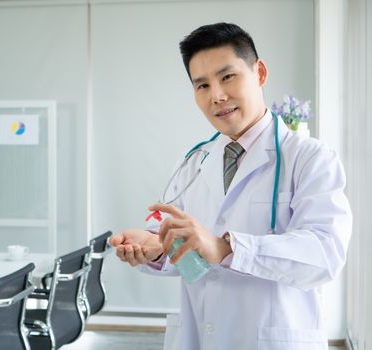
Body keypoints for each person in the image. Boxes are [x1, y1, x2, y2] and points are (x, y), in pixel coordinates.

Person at [109, 22, 352, 350]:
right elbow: (195, 262)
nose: (217, 96)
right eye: (202, 86)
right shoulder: (196, 162)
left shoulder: (310, 158)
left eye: (227, 77)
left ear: (260, 72)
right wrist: (159, 247)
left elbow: (324, 255)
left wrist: (226, 248)